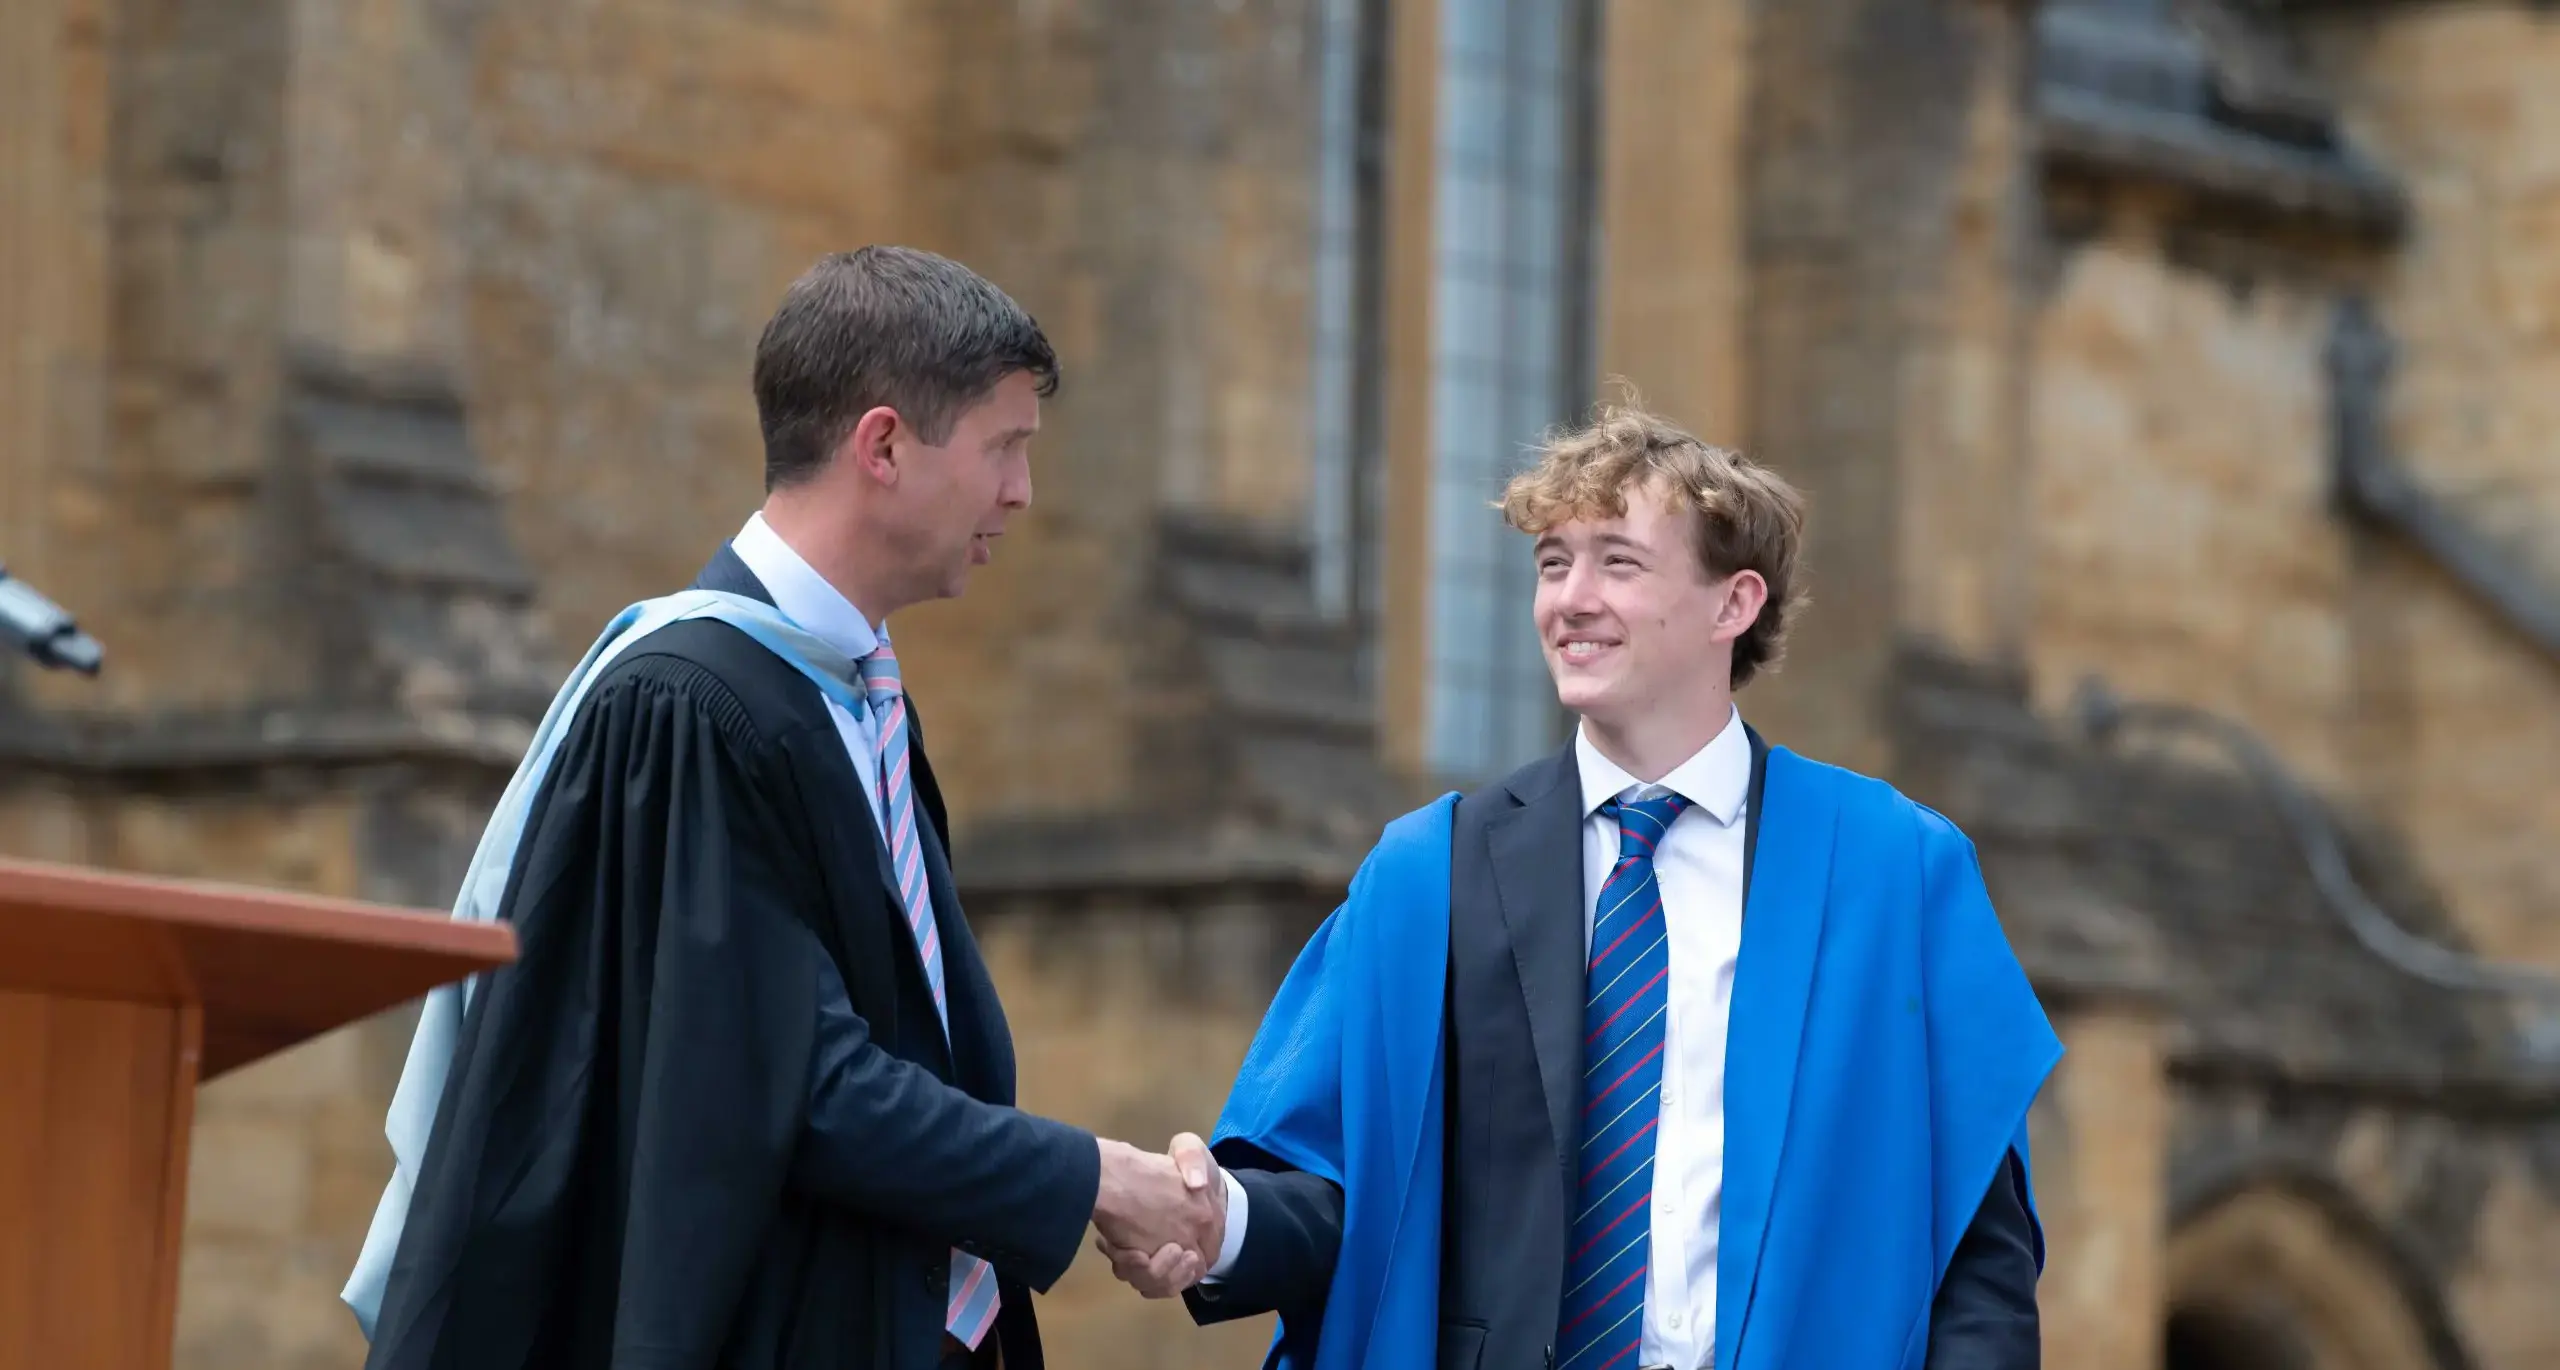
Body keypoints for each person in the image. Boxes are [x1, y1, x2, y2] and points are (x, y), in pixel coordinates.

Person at [342, 246, 1222, 1370]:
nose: (1022, 492)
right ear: (885, 445)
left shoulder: (853, 701)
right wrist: (1088, 1177)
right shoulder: (694, 707)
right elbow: (793, 1080)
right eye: (1004, 448)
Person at [1103, 405, 2062, 1370]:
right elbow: (1327, 1188)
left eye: (1620, 562)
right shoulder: (1428, 875)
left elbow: (1979, 1261)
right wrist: (1214, 1224)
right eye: (1554, 562)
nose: (1571, 599)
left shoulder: (1893, 872)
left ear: (1734, 605)